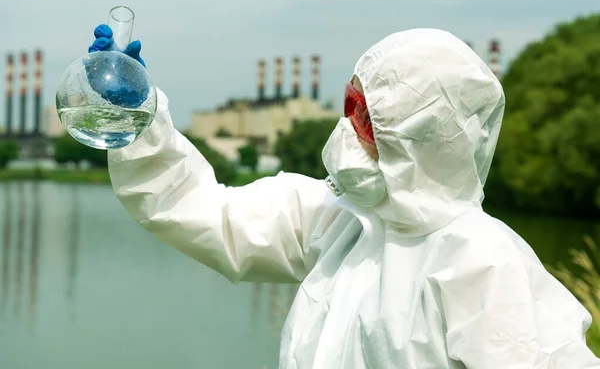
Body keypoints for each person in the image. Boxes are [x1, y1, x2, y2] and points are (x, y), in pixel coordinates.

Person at [90, 25, 600, 368]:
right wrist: (138, 124)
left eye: (362, 112)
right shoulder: (345, 221)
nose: (345, 127)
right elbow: (203, 212)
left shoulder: (483, 263)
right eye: (348, 104)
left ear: (418, 131)